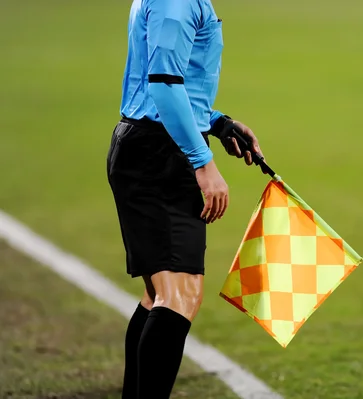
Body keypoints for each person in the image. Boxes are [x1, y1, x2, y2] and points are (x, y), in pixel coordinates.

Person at [106, 0, 265, 398]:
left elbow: (165, 79)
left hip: (153, 147)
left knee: (160, 294)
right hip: (159, 155)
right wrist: (203, 161)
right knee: (180, 295)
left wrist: (216, 121)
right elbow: (162, 84)